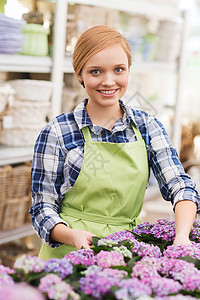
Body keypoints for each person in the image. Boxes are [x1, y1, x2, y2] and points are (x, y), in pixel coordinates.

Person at [30, 25, 200, 260]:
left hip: (125, 255)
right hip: (66, 256)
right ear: (79, 74)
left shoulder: (147, 127)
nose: (109, 81)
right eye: (96, 72)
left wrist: (182, 236)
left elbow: (181, 186)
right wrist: (71, 236)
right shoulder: (57, 132)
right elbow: (42, 208)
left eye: (118, 69)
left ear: (129, 70)